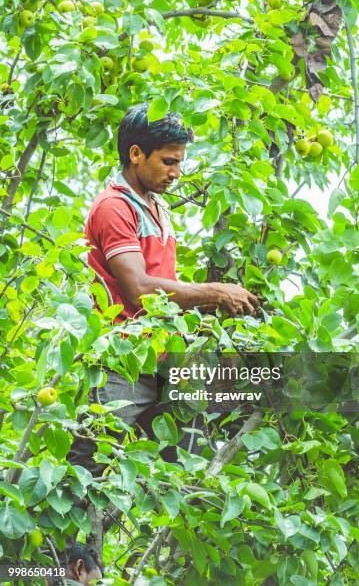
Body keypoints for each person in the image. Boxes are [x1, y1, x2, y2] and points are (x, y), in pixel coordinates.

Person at [67, 103, 259, 473]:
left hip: (161, 361)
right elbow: (139, 290)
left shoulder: (155, 206)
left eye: (180, 163)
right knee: (88, 473)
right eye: (169, 162)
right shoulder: (114, 207)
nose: (176, 173)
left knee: (191, 466)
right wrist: (215, 292)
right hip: (121, 362)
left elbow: (164, 296)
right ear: (136, 155)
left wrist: (222, 307)